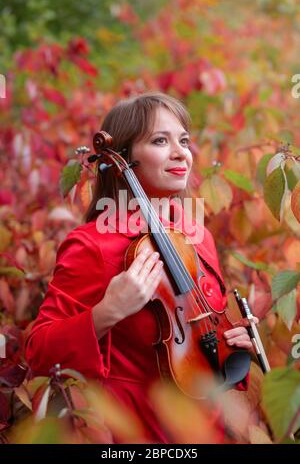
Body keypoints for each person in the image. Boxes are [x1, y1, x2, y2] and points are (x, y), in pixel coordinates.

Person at [25, 91, 256, 443]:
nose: (180, 152)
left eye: (184, 140)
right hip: (135, 430)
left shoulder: (197, 235)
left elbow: (200, 334)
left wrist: (233, 343)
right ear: (125, 159)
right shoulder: (93, 244)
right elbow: (39, 353)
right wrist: (106, 312)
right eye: (160, 141)